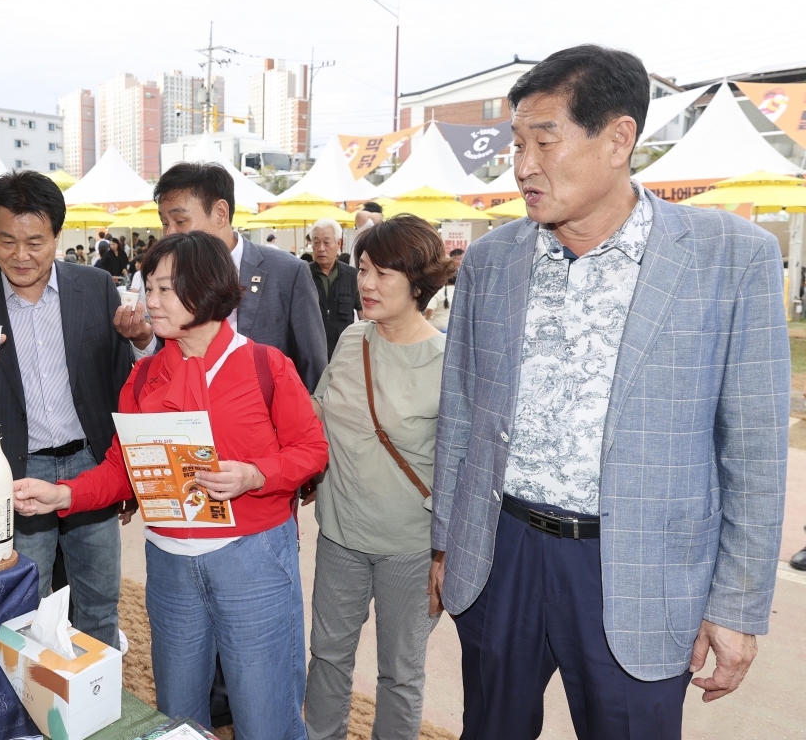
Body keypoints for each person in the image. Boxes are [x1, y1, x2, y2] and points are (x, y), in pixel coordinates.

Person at [431, 45, 788, 739]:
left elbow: (754, 450)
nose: (523, 166)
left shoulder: (730, 257)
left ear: (619, 138)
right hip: (501, 553)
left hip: (640, 572)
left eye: (545, 140)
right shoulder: (491, 260)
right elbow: (462, 412)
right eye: (517, 143)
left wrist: (738, 608)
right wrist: (447, 542)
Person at [14, 231, 328, 737]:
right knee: (179, 716)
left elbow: (311, 450)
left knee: (266, 714)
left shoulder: (265, 365)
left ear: (206, 289)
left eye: (165, 289)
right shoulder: (143, 378)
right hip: (169, 567)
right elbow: (122, 470)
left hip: (253, 560)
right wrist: (65, 494)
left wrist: (254, 475)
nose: (150, 302)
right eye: (149, 287)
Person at [0, 170, 135, 649]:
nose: (20, 256)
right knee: (21, 606)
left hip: (90, 464)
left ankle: (96, 691)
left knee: (99, 602)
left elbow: (120, 382)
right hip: (13, 472)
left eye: (35, 242)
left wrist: (124, 473)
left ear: (57, 236)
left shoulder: (95, 287)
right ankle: (28, 694)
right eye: (7, 241)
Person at [304, 216, 456, 739]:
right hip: (339, 535)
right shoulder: (352, 339)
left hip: (410, 549)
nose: (365, 283)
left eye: (382, 273)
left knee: (400, 674)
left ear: (417, 284)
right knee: (327, 657)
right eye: (363, 268)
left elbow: (462, 467)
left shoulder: (448, 362)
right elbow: (317, 414)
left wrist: (446, 554)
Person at [116, 161, 329, 392]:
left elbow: (313, 367)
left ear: (220, 213)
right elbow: (165, 362)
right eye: (164, 223)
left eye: (180, 221)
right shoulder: (166, 276)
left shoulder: (287, 273)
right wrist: (143, 340)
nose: (169, 234)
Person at [308, 218, 357, 360]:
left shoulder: (352, 275)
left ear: (339, 244)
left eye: (326, 242)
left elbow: (365, 316)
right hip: (311, 353)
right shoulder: (303, 275)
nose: (321, 248)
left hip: (344, 353)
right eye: (316, 242)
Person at [425, 247, 463, 332]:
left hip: (439, 326)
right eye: (459, 259)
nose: (461, 261)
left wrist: (426, 317)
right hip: (453, 327)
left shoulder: (440, 292)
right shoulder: (460, 292)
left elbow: (429, 309)